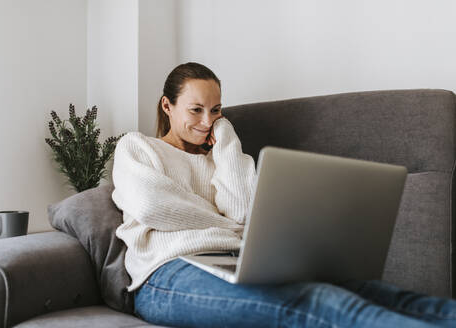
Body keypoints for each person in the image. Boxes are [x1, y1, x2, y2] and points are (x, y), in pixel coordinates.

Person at [111, 62, 456, 328]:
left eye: (216, 110)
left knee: (377, 293)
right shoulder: (137, 146)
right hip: (165, 275)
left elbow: (244, 212)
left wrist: (226, 138)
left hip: (232, 261)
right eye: (196, 109)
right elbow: (153, 207)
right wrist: (224, 225)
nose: (207, 121)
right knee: (318, 300)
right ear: (167, 106)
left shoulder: (221, 153)